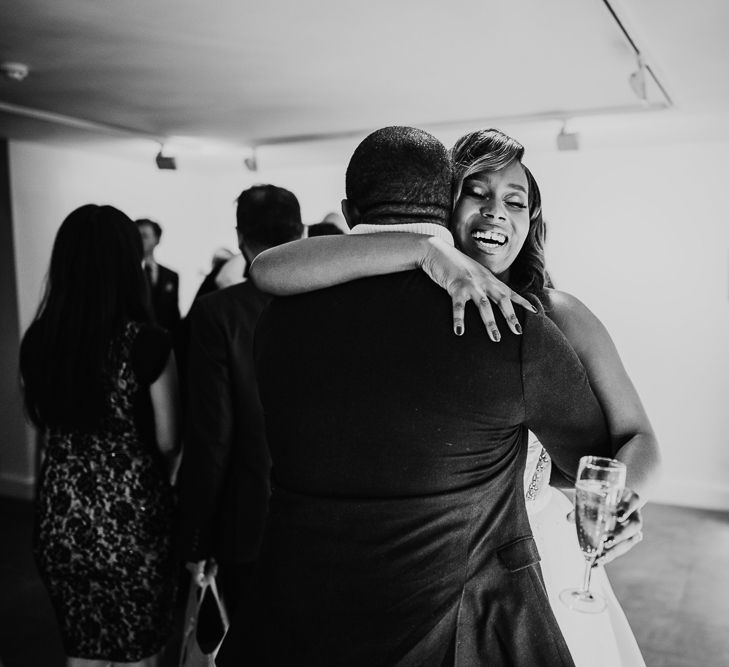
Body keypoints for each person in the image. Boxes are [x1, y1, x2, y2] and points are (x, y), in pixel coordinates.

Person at [249, 128, 660, 665]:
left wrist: (625, 497)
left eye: (516, 202)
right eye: (478, 193)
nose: (496, 213)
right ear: (445, 205)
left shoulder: (555, 316)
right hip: (447, 578)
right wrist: (424, 251)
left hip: (537, 553)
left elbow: (629, 441)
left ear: (530, 222)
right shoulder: (418, 296)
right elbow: (269, 267)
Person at [20, 205, 180, 667]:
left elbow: (43, 432)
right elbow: (170, 441)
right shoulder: (148, 344)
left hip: (60, 517)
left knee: (83, 651)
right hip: (132, 519)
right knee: (138, 654)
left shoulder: (40, 340)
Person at [176, 185, 304, 617]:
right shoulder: (336, 303)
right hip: (331, 520)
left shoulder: (218, 313)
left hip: (248, 518)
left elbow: (211, 435)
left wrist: (198, 533)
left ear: (239, 237)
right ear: (301, 231)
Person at [136, 218, 181, 335]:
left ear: (156, 240)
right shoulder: (126, 272)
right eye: (136, 235)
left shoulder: (171, 276)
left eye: (144, 236)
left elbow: (174, 314)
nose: (139, 240)